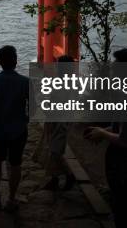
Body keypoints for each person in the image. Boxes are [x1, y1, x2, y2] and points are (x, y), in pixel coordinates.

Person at [83, 48, 127, 228]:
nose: (111, 70)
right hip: (123, 163)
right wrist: (101, 130)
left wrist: (103, 133)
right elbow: (122, 127)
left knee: (124, 206)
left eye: (114, 68)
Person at [0, 45, 29, 212]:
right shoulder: (25, 82)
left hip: (0, 129)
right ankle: (11, 198)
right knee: (16, 164)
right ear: (15, 61)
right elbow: (33, 106)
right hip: (18, 129)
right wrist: (26, 119)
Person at [37, 55, 77, 191]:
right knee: (52, 149)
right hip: (55, 119)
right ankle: (54, 178)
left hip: (60, 121)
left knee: (55, 151)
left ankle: (69, 175)